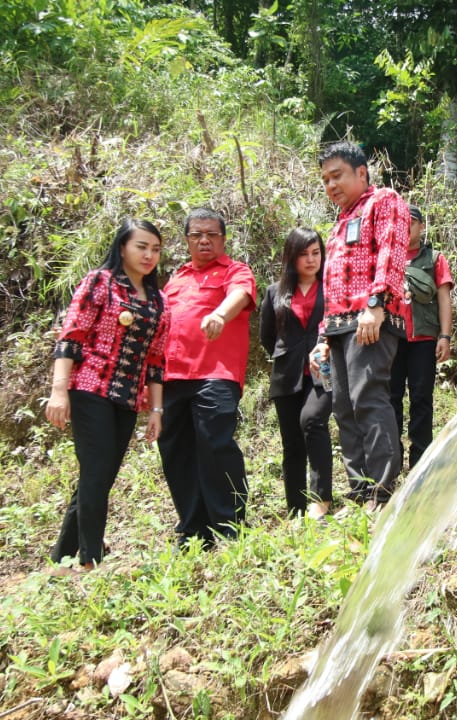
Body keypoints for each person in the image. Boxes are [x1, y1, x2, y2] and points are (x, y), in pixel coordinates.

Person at [47, 218, 171, 570]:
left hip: (127, 397)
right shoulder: (99, 283)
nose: (149, 255)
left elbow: (156, 361)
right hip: (90, 387)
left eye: (156, 249)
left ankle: (63, 553)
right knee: (97, 471)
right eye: (141, 247)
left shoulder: (158, 300)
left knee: (99, 474)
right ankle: (91, 559)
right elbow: (71, 337)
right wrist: (59, 392)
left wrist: (156, 411)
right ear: (122, 248)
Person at [311, 141, 409, 509]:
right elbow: (330, 284)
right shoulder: (339, 222)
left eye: (337, 175)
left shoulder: (383, 201)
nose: (331, 185)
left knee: (368, 399)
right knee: (343, 407)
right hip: (338, 325)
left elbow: (392, 248)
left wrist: (377, 302)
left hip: (369, 319)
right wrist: (322, 336)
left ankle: (383, 492)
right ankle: (360, 491)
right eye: (325, 180)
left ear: (361, 172)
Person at [158, 208, 256, 545]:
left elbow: (240, 294)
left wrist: (219, 313)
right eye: (197, 234)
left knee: (216, 446)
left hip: (216, 375)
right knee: (176, 452)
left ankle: (230, 527)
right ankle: (193, 530)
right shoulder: (176, 280)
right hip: (172, 378)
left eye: (212, 234)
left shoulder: (234, 271)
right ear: (186, 240)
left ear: (223, 239)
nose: (204, 240)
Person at [259, 227, 334, 519]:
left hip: (323, 372)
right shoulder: (274, 292)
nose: (311, 259)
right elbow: (267, 336)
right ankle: (295, 508)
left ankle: (321, 499)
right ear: (291, 257)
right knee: (291, 444)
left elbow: (337, 327)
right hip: (287, 374)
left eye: (316, 253)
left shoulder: (331, 288)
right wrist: (286, 355)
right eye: (304, 254)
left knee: (313, 422)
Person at [390, 206, 453, 471]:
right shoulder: (387, 259)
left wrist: (445, 336)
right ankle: (392, 460)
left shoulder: (434, 258)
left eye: (411, 222)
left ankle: (419, 463)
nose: (406, 227)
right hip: (391, 339)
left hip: (423, 339)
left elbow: (443, 298)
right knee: (390, 400)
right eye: (401, 221)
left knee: (421, 400)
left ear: (421, 227)